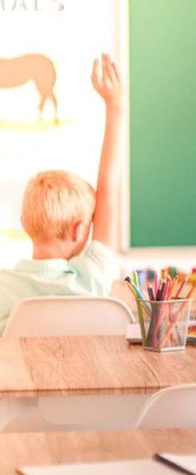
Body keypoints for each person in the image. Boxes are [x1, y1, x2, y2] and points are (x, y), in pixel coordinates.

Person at [0, 55, 124, 332]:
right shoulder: (91, 279)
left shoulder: (2, 288)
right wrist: (115, 106)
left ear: (24, 223)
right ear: (80, 229)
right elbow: (108, 189)